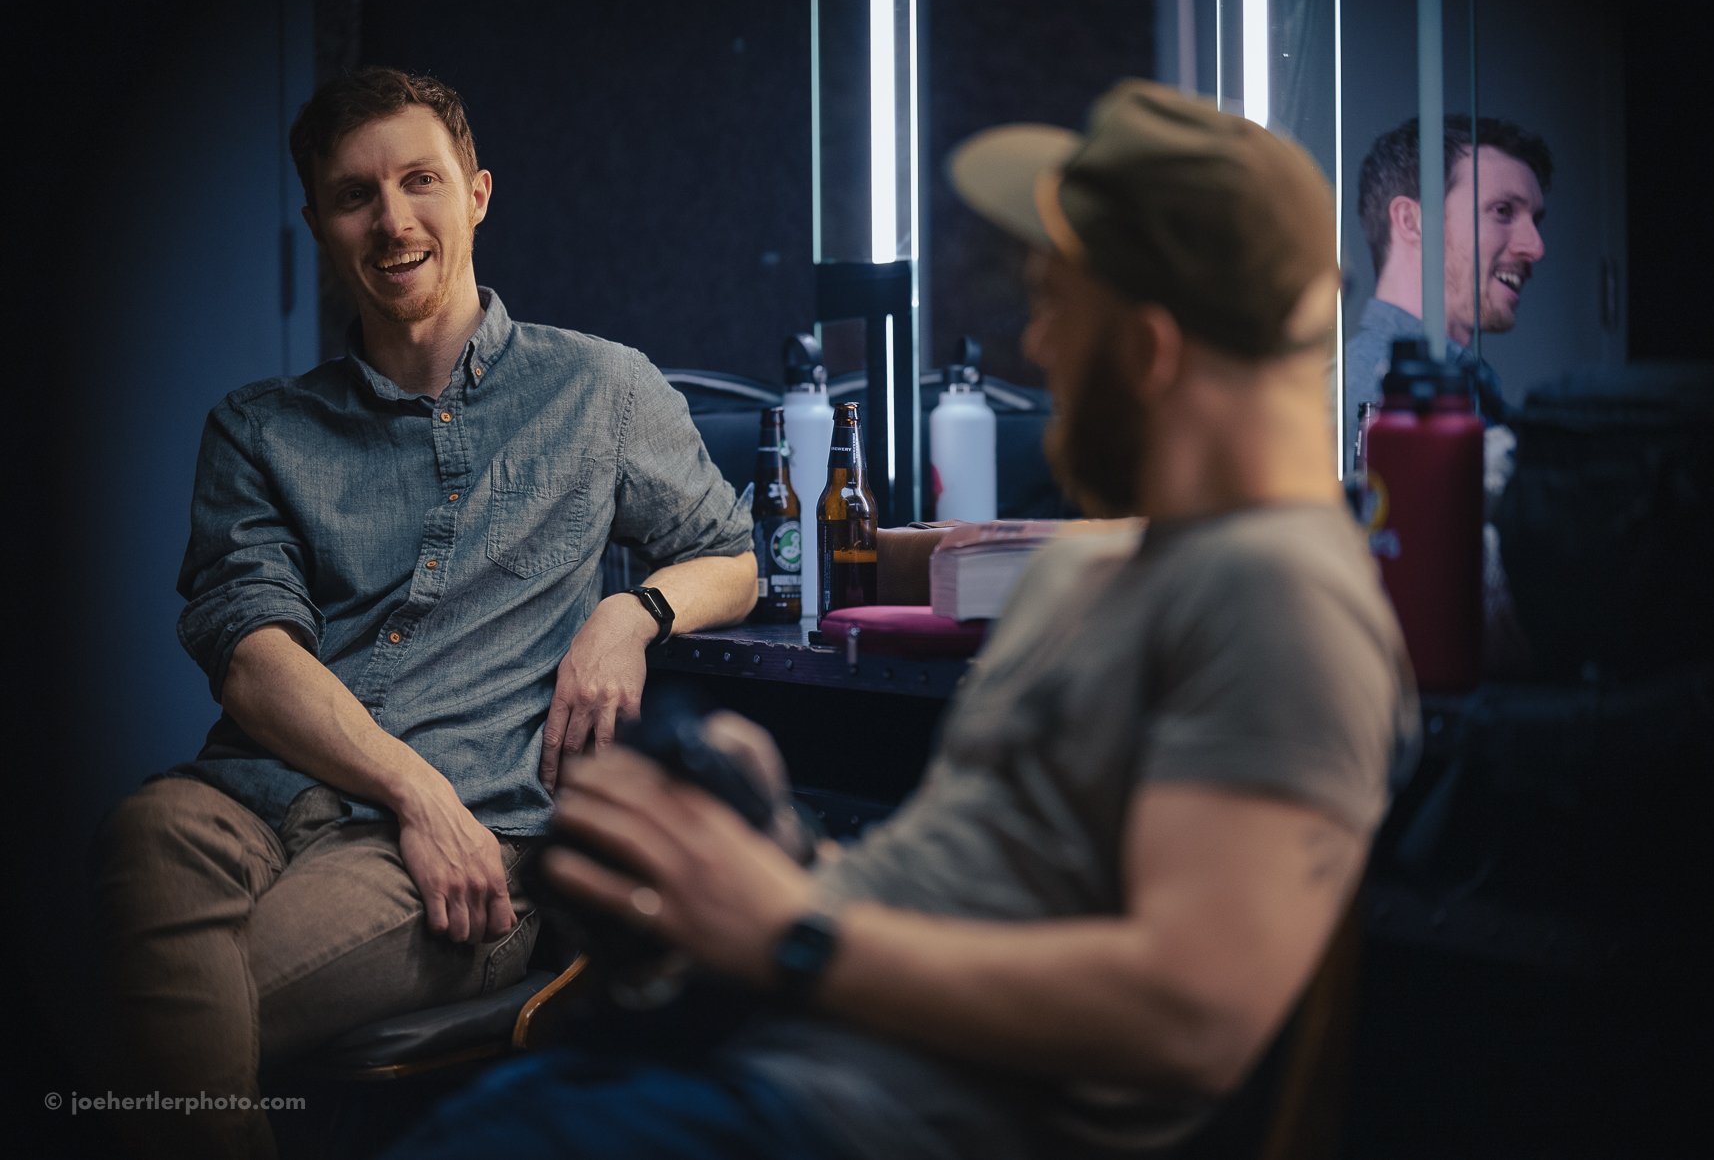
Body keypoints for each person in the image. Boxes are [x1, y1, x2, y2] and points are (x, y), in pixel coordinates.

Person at [383, 78, 1419, 1160]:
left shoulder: (1282, 596)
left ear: (1150, 351)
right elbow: (985, 874)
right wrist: (772, 847)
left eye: (1056, 306)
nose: (1036, 345)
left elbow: (1188, 1015)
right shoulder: (1096, 571)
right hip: (775, 1060)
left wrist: (788, 926)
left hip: (854, 1120)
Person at [85, 67, 757, 1159]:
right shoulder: (258, 429)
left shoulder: (601, 390)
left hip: (463, 847)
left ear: (477, 193)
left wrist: (630, 613)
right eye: (355, 195)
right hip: (256, 793)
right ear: (319, 224)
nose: (393, 220)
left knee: (152, 1014)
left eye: (419, 181)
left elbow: (732, 556)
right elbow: (249, 653)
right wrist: (413, 786)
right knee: (147, 829)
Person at [1344, 114, 1553, 463]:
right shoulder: (1368, 393)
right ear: (1411, 222)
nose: (1536, 247)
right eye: (1503, 211)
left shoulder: (1463, 386)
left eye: (1535, 220)